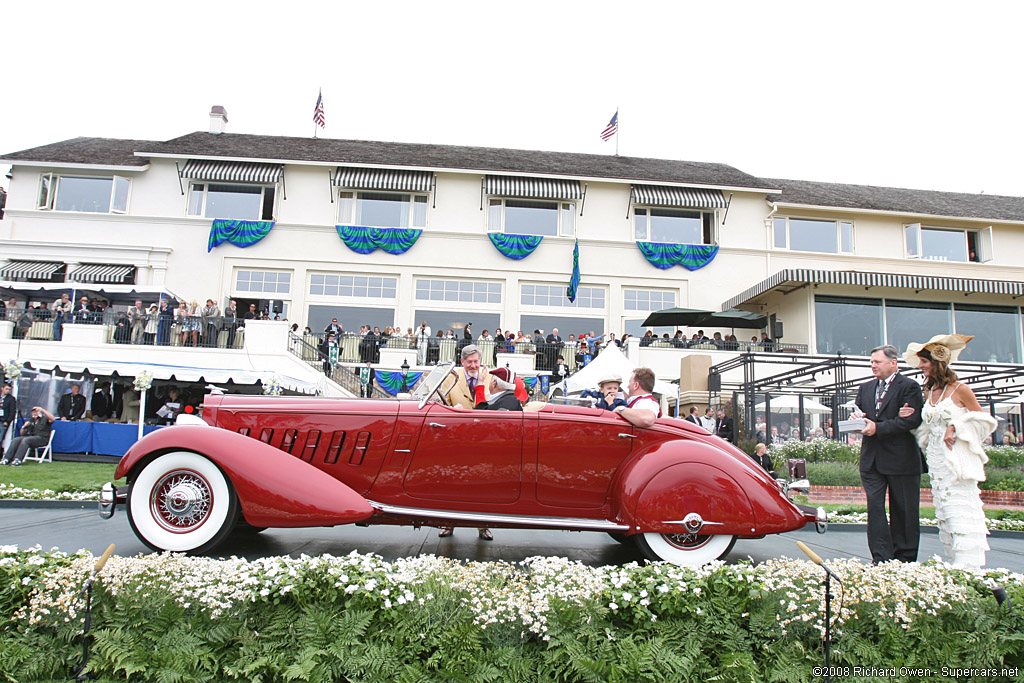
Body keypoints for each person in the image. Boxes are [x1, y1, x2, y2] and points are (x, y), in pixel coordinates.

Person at [899, 334, 995, 570]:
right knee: (944, 508)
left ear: (937, 362)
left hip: (956, 457)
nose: (920, 367)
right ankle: (954, 559)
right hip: (936, 457)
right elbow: (927, 428)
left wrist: (957, 427)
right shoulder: (930, 392)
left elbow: (984, 421)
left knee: (960, 506)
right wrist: (908, 417)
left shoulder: (961, 390)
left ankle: (969, 563)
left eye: (924, 362)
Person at [853, 344, 925, 564]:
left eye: (878, 362)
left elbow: (912, 420)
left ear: (893, 363)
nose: (873, 365)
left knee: (904, 509)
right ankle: (881, 558)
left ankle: (904, 559)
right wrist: (858, 420)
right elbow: (862, 413)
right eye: (872, 362)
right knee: (875, 509)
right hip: (871, 459)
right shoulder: (865, 388)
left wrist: (878, 428)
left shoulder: (910, 387)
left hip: (901, 460)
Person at [440, 344, 490, 410]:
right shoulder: (451, 378)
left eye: (476, 361)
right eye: (469, 362)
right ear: (462, 361)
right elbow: (442, 406)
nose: (473, 366)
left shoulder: (490, 378)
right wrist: (453, 410)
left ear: (480, 361)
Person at [0, 383, 16, 459]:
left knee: (0, 438)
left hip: (4, 421)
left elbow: (12, 411)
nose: (8, 391)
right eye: (6, 389)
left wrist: (8, 421)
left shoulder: (11, 399)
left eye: (9, 389)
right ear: (2, 388)